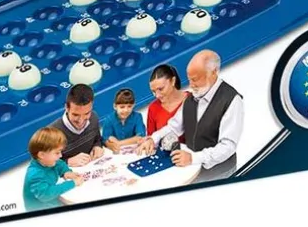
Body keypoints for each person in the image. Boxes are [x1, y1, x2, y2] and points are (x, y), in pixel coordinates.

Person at [137, 50, 244, 182]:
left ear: (214, 72)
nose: (191, 85)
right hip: (193, 171)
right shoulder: (191, 97)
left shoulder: (232, 100)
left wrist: (193, 158)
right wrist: (153, 138)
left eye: (195, 79)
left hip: (220, 173)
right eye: (189, 79)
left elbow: (228, 146)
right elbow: (174, 127)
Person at [22, 127, 83, 211]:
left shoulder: (48, 161)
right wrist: (73, 183)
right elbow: (46, 194)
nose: (60, 155)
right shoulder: (35, 175)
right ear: (41, 155)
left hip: (51, 200)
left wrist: (66, 172)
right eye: (57, 153)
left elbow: (60, 164)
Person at [49, 83, 104, 167]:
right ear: (66, 108)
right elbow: (41, 164)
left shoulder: (93, 117)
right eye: (75, 115)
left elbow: (97, 139)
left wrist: (98, 146)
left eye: (86, 113)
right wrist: (67, 162)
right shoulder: (51, 133)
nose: (81, 121)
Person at [146, 63, 189, 139]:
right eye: (154, 91)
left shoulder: (192, 99)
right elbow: (151, 139)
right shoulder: (153, 108)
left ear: (173, 81)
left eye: (160, 89)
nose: (157, 95)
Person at [103, 88, 145, 152]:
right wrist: (109, 141)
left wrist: (119, 143)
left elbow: (140, 137)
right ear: (115, 106)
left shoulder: (137, 117)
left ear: (133, 105)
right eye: (122, 107)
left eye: (129, 106)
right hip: (117, 152)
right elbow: (105, 139)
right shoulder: (108, 120)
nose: (126, 110)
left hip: (134, 150)